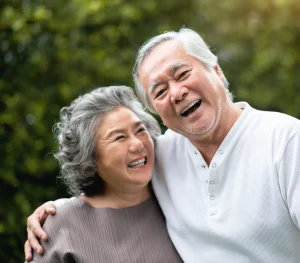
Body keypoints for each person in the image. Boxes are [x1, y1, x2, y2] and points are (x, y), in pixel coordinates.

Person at [26, 28, 300, 262]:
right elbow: (115, 180)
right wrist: (57, 213)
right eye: (159, 91)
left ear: (216, 69)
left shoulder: (286, 140)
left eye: (182, 74)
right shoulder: (161, 155)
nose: (177, 93)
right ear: (156, 109)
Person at [25, 85, 183, 262]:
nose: (138, 144)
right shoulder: (60, 226)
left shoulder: (178, 198)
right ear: (90, 157)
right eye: (119, 137)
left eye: (140, 130)